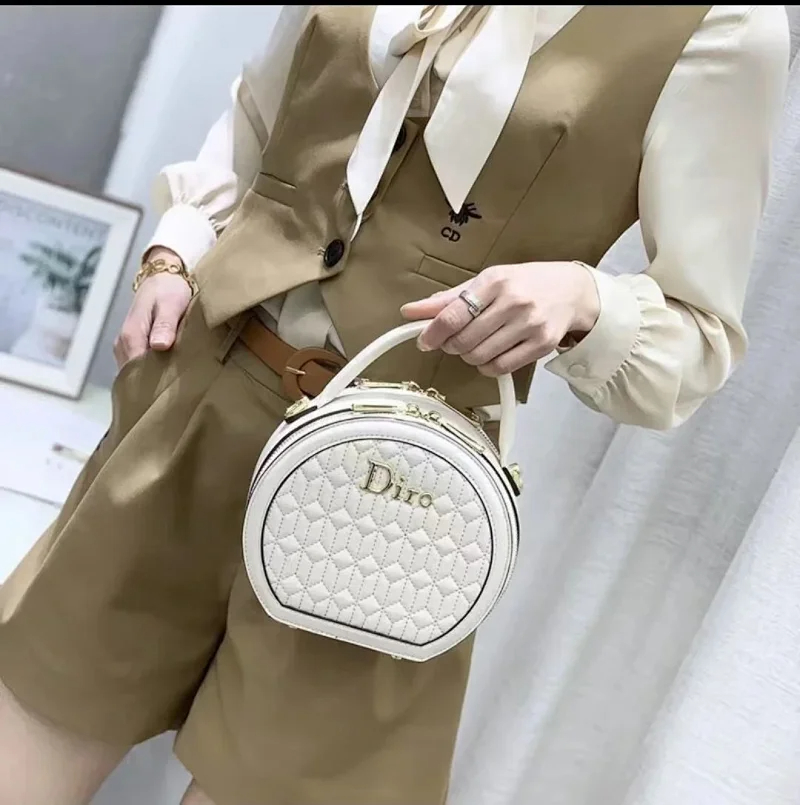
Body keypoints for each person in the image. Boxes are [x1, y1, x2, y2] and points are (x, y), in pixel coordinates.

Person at [0, 5, 789, 805]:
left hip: (387, 508)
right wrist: (175, 251)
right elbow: (259, 117)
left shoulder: (719, 27)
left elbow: (699, 334)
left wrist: (586, 297)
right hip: (197, 406)